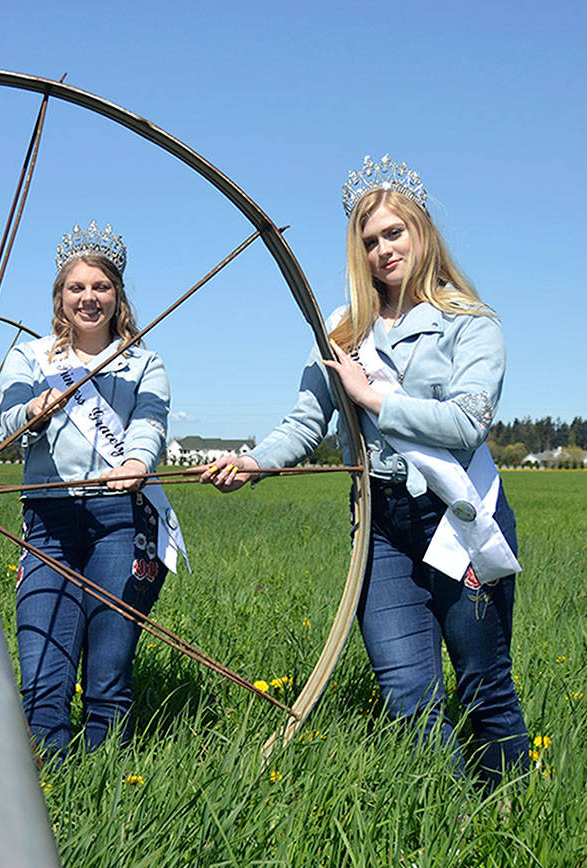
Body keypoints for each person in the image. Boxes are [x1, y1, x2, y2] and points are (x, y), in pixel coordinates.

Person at [202, 155, 527, 788]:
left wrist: (374, 398)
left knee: (483, 685)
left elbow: (466, 425)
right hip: (380, 525)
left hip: (459, 514)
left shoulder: (472, 324)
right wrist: (254, 461)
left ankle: (512, 817)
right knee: (408, 694)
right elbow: (304, 423)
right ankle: (448, 825)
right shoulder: (344, 331)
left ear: (422, 232)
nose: (382, 250)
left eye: (394, 233)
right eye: (369, 240)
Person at [0, 221, 180, 757]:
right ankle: (47, 778)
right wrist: (32, 410)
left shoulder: (143, 362)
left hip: (120, 519)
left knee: (108, 668)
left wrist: (137, 461)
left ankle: (105, 780)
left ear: (117, 296)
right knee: (42, 660)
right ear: (60, 297)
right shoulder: (32, 359)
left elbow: (151, 421)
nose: (89, 298)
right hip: (49, 521)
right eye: (76, 287)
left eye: (100, 287)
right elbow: (5, 417)